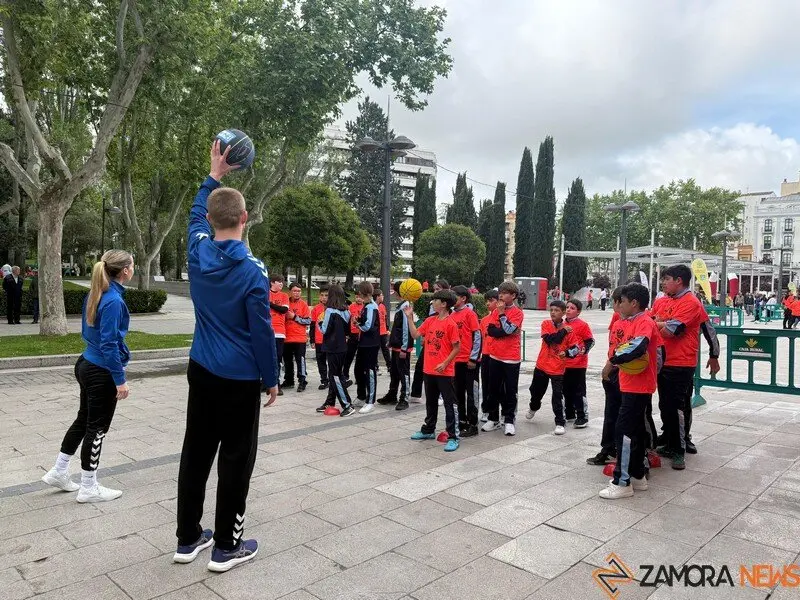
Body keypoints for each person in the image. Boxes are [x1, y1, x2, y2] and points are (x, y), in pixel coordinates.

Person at [174, 141, 278, 572]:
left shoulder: (197, 253)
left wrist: (214, 174)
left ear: (213, 220)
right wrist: (271, 378)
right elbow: (261, 330)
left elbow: (196, 215)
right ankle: (226, 546)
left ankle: (187, 539)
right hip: (238, 378)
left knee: (195, 452)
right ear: (244, 218)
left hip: (202, 368)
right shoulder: (254, 271)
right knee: (236, 458)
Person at [41, 250, 134, 503]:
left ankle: (59, 471)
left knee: (84, 420)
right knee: (97, 428)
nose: (133, 268)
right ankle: (89, 486)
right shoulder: (113, 300)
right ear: (125, 270)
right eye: (132, 265)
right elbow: (109, 344)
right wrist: (120, 379)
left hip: (86, 364)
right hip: (100, 370)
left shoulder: (97, 293)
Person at [651, 264, 720, 470]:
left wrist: (714, 354)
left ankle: (679, 447)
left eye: (666, 279)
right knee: (666, 405)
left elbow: (674, 330)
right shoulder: (663, 301)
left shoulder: (691, 302)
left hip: (681, 362)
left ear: (679, 280)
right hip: (663, 361)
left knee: (677, 406)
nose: (663, 283)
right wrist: (660, 323)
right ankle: (671, 439)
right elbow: (651, 321)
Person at [599, 282, 662, 499]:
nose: (618, 305)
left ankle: (622, 481)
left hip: (639, 385)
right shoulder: (628, 322)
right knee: (633, 432)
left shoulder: (644, 322)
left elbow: (638, 346)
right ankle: (637, 475)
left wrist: (613, 361)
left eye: (622, 301)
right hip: (630, 383)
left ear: (634, 303)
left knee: (623, 432)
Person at [404, 290, 461, 452]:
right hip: (429, 370)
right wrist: (409, 318)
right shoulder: (430, 321)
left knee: (450, 405)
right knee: (430, 402)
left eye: (435, 300)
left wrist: (445, 363)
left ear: (443, 304)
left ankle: (453, 436)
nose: (432, 303)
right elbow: (415, 335)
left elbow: (457, 348)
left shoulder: (451, 324)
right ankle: (428, 430)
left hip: (445, 372)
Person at [525, 300, 579, 435]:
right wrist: (563, 332)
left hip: (557, 369)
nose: (553, 313)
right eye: (551, 310)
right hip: (542, 366)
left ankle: (560, 422)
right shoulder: (546, 324)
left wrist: (566, 353)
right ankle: (534, 406)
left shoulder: (569, 329)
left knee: (557, 396)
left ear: (562, 313)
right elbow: (550, 339)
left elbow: (576, 349)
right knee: (536, 392)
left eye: (556, 310)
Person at [587, 287, 625, 466]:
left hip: (628, 374)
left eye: (616, 302)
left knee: (632, 416)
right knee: (611, 412)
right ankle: (609, 449)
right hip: (614, 370)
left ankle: (639, 454)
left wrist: (612, 363)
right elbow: (613, 343)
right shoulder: (617, 319)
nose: (614, 306)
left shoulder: (642, 323)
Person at [484, 280, 524, 436]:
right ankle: (493, 418)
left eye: (505, 293)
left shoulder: (517, 313)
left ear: (513, 296)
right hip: (495, 355)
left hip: (511, 358)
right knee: (493, 388)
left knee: (510, 390)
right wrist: (502, 326)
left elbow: (508, 329)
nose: (501, 295)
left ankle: (508, 420)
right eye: (500, 292)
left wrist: (502, 316)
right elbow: (491, 331)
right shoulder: (494, 311)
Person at [316, 284, 356, 416]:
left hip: (332, 348)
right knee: (335, 375)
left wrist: (319, 322)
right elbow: (347, 331)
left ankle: (347, 405)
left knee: (335, 376)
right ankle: (330, 402)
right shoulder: (346, 311)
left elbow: (324, 329)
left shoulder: (329, 311)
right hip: (343, 348)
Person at [410, 279, 450, 400]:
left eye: (438, 289)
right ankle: (416, 394)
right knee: (420, 365)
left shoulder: (449, 310)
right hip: (430, 341)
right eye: (434, 289)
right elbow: (428, 324)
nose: (435, 291)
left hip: (442, 345)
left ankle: (442, 395)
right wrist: (425, 336)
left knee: (440, 369)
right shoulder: (431, 305)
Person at [451, 285, 482, 438]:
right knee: (457, 393)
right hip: (455, 361)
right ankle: (461, 420)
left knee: (471, 393)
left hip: (469, 362)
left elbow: (477, 336)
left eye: (454, 296)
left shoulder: (470, 314)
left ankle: (473, 423)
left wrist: (473, 358)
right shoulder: (451, 315)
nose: (451, 299)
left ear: (463, 298)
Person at [378, 281, 414, 410]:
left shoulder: (405, 308)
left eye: (394, 289)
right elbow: (397, 328)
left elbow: (405, 329)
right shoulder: (400, 306)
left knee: (403, 373)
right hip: (396, 346)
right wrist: (391, 342)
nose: (392, 291)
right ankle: (392, 395)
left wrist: (404, 348)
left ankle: (404, 398)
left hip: (402, 348)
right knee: (394, 372)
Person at [563, 299, 594, 428]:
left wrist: (584, 350)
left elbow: (590, 341)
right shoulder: (561, 324)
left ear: (579, 312)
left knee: (578, 391)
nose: (569, 310)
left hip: (578, 364)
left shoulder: (582, 325)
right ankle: (569, 413)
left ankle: (582, 416)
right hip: (564, 364)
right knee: (566, 390)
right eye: (567, 307)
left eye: (572, 308)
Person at [353, 281, 381, 413]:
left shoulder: (371, 306)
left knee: (370, 371)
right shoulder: (366, 305)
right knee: (358, 369)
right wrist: (358, 321)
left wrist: (358, 324)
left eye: (361, 294)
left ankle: (370, 401)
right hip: (364, 342)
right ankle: (361, 396)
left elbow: (368, 326)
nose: (359, 297)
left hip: (371, 343)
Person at [284, 283, 312, 392]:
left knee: (301, 360)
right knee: (287, 361)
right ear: (290, 291)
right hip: (286, 337)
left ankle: (302, 381)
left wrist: (295, 317)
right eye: (295, 291)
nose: (297, 293)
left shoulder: (304, 305)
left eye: (299, 291)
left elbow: (308, 321)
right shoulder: (285, 303)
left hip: (299, 338)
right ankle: (289, 381)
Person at [478, 290, 499, 423]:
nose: (487, 303)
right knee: (485, 385)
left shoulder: (502, 319)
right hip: (485, 355)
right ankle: (486, 410)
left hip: (498, 356)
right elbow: (480, 339)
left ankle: (502, 414)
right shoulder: (484, 320)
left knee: (498, 387)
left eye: (491, 300)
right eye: (487, 301)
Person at [268, 275, 290, 397]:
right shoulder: (265, 293)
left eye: (282, 282)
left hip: (279, 332)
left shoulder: (284, 296)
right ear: (272, 282)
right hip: (266, 331)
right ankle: (266, 383)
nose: (281, 284)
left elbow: (283, 310)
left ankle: (277, 383)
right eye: (279, 282)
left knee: (277, 358)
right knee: (265, 357)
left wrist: (270, 304)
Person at [342, 293, 363, 385]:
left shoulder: (366, 307)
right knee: (348, 356)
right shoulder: (350, 307)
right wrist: (346, 334)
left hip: (362, 335)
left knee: (360, 358)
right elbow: (346, 321)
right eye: (357, 297)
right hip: (352, 335)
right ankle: (345, 375)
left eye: (360, 297)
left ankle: (359, 377)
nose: (359, 299)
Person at [311, 287, 329, 390]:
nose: (324, 297)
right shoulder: (316, 309)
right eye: (322, 295)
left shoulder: (333, 308)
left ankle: (332, 379)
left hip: (330, 340)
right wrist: (312, 340)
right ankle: (324, 380)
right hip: (319, 340)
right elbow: (313, 325)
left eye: (326, 295)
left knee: (331, 361)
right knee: (321, 361)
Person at [374, 290, 391, 371]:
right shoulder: (372, 306)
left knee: (385, 349)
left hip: (383, 332)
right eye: (381, 295)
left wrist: (387, 329)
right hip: (375, 332)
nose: (383, 297)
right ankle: (375, 365)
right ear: (377, 296)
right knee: (375, 349)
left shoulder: (382, 306)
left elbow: (385, 318)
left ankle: (389, 366)